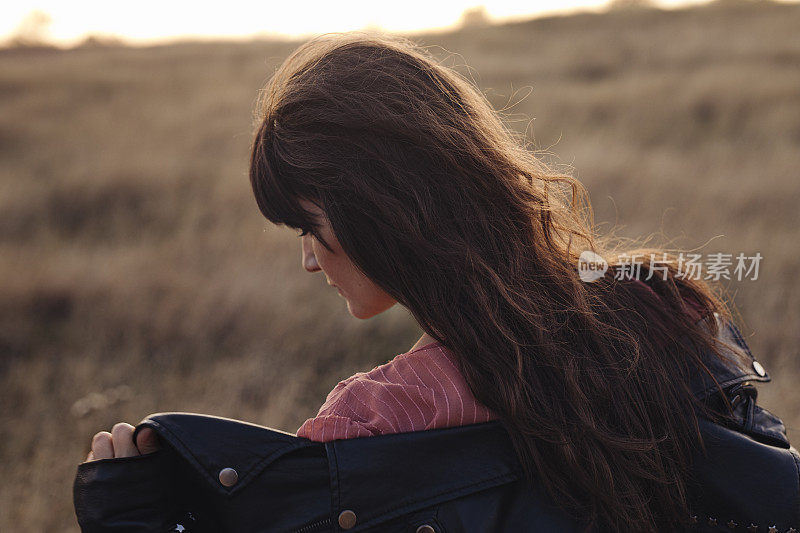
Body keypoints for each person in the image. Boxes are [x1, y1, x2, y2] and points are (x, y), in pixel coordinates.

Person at [81, 31, 788, 532]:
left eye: (310, 226)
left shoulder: (374, 421)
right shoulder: (662, 298)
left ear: (384, 212)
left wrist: (132, 513)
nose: (307, 259)